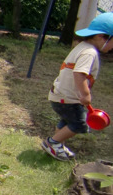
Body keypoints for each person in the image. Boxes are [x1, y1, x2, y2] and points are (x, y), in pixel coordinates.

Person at [43, 12, 113, 161]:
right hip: (68, 98)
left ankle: (58, 145)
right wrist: (85, 94)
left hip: (60, 95)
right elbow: (79, 73)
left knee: (67, 121)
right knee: (79, 124)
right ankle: (52, 143)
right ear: (102, 37)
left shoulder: (83, 46)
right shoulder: (89, 52)